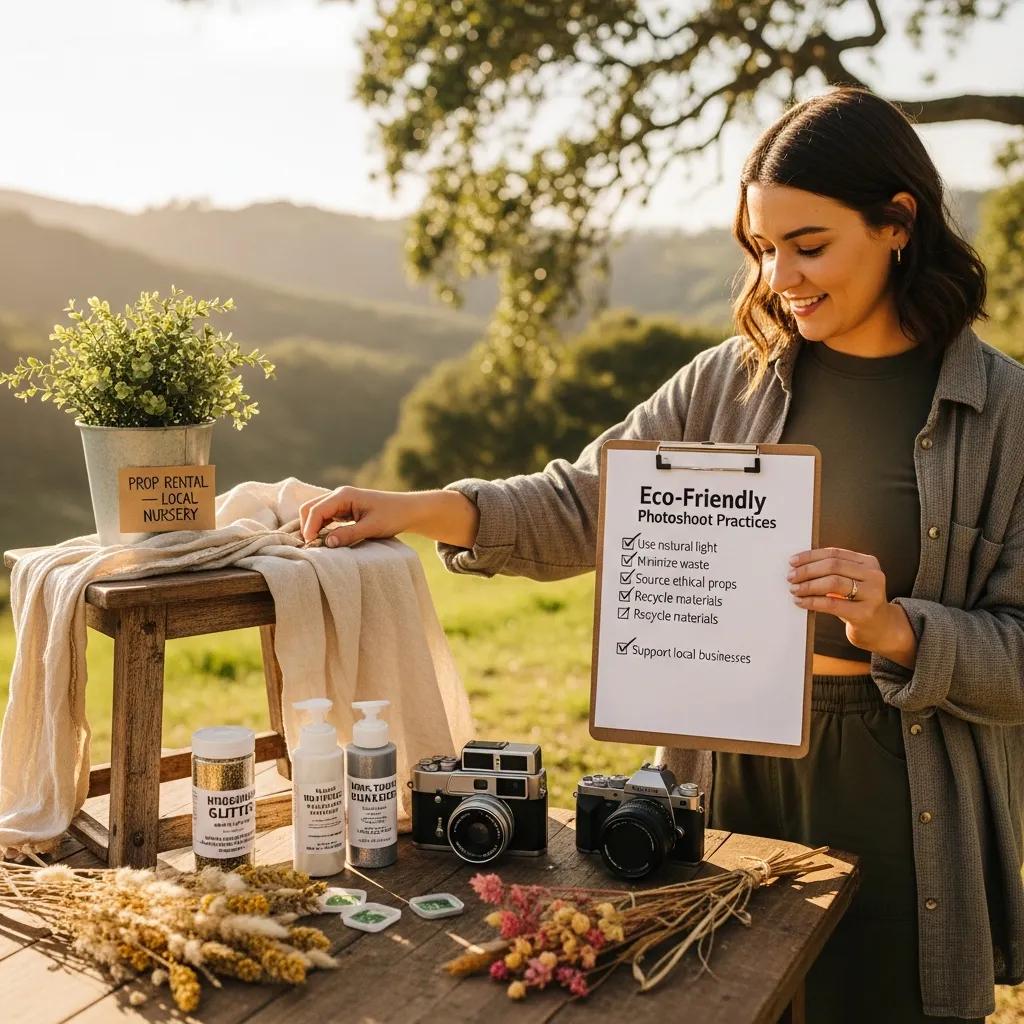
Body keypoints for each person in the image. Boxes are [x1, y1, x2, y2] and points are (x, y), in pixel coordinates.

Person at [299, 87, 1023, 1023]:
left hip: (900, 784)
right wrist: (418, 509)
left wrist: (894, 627)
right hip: (725, 772)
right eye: (762, 249)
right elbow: (582, 504)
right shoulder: (727, 382)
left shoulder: (1005, 414)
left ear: (897, 224)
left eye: (809, 246)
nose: (780, 279)